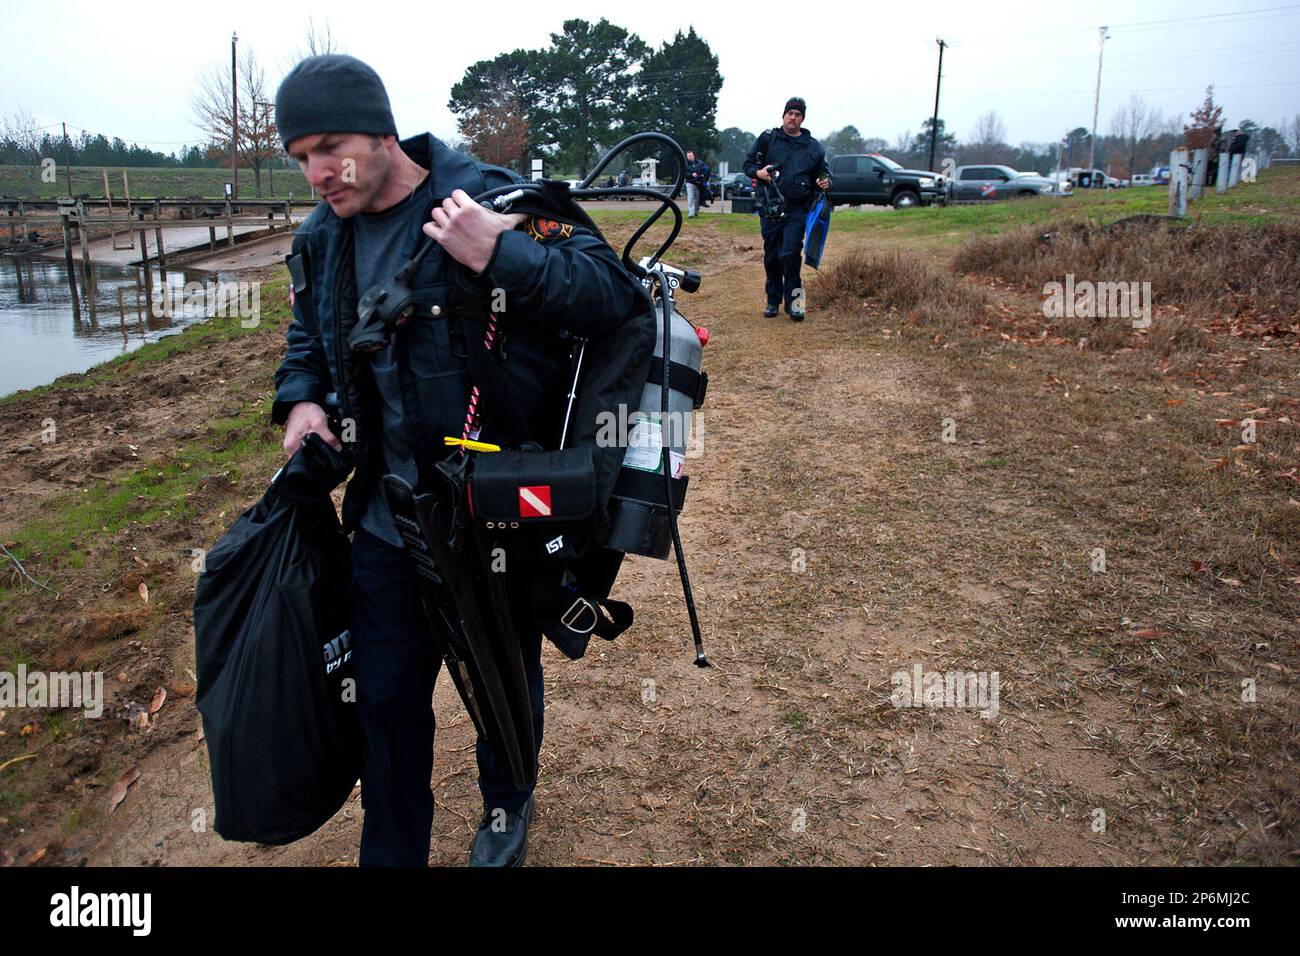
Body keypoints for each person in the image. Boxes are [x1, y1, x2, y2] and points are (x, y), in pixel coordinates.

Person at [271, 54, 648, 867]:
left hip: (490, 515)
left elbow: (612, 296)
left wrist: (498, 256)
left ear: (380, 131)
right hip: (382, 517)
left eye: (329, 147)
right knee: (386, 703)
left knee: (503, 687)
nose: (316, 173)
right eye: (299, 157)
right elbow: (309, 341)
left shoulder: (494, 200)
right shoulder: (319, 240)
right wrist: (300, 398)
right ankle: (393, 848)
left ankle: (508, 811)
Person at [743, 97, 831, 320]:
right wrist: (758, 173)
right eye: (790, 113)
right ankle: (773, 301)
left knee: (790, 254)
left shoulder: (813, 147)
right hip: (770, 207)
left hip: (798, 209)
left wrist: (824, 180)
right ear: (783, 115)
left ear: (802, 119)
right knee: (772, 257)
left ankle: (796, 304)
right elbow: (748, 165)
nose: (793, 117)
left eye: (798, 114)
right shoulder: (767, 139)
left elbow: (823, 172)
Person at [685, 150, 710, 217]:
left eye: (690, 155)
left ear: (693, 155)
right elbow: (684, 174)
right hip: (690, 183)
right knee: (690, 198)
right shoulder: (685, 164)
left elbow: (705, 171)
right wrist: (691, 174)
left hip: (699, 183)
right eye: (688, 156)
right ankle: (691, 214)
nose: (689, 157)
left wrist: (700, 175)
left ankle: (696, 212)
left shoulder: (700, 163)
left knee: (697, 199)